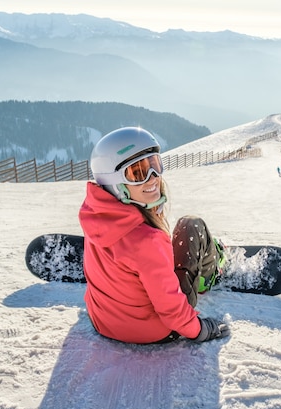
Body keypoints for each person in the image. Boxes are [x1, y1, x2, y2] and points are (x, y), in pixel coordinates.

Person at [79, 126, 230, 344]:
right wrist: (202, 330)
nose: (153, 178)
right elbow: (172, 310)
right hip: (155, 331)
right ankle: (209, 273)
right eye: (138, 172)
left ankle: (121, 271)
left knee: (134, 258)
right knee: (191, 225)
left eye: (155, 165)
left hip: (102, 323)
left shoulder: (93, 214)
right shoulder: (147, 240)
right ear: (114, 182)